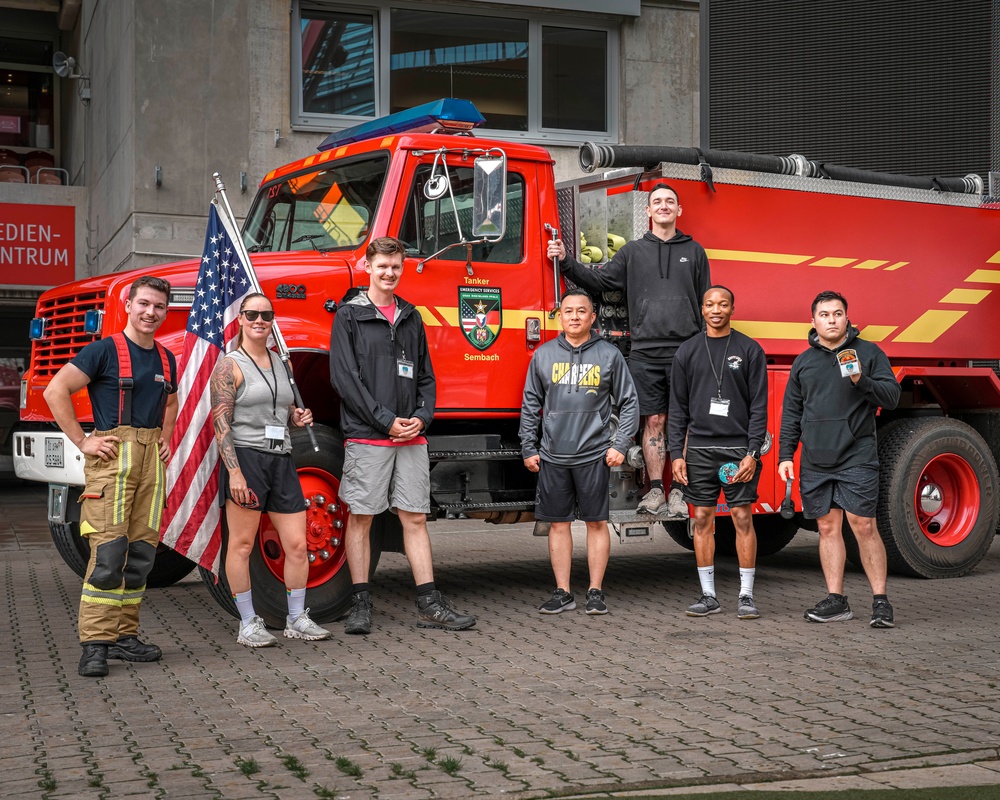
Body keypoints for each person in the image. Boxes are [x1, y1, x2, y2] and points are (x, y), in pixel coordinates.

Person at [329, 236, 476, 634]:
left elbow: (426, 376)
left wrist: (422, 418)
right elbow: (345, 380)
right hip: (368, 435)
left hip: (411, 437)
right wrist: (384, 420)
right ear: (367, 267)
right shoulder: (348, 316)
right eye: (382, 266)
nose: (389, 273)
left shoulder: (411, 316)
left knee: (415, 518)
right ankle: (360, 604)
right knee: (361, 518)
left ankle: (430, 603)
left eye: (396, 266)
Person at [547, 182, 710, 520]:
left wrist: (705, 347)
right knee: (654, 420)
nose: (663, 206)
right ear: (648, 211)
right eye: (657, 202)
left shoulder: (694, 251)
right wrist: (566, 262)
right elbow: (601, 282)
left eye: (670, 202)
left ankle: (679, 492)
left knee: (683, 422)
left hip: (685, 350)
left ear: (679, 211)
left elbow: (706, 302)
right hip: (645, 351)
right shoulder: (633, 252)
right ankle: (655, 490)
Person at [44, 276, 178, 678]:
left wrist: (166, 439)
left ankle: (124, 637)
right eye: (144, 304)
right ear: (129, 305)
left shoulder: (166, 358)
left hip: (150, 461)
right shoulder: (103, 351)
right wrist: (83, 440)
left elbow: (170, 401)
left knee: (140, 555)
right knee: (108, 554)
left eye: (159, 307)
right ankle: (96, 645)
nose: (151, 313)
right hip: (113, 460)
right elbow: (55, 390)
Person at [210, 292, 331, 647]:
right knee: (243, 545)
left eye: (266, 315)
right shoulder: (229, 365)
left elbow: (283, 413)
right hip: (246, 460)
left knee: (297, 545)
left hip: (282, 459)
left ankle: (296, 618)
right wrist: (234, 473)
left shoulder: (282, 363)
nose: (260, 320)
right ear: (241, 319)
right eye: (252, 315)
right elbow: (221, 424)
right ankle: (248, 623)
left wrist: (296, 417)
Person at [778, 290, 901, 627]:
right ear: (813, 321)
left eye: (837, 314)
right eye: (824, 315)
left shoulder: (869, 353)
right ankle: (837, 600)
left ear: (847, 318)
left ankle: (880, 601)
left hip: (856, 455)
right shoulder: (804, 361)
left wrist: (861, 380)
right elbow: (791, 412)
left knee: (863, 526)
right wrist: (785, 454)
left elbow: (891, 397)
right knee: (826, 527)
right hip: (816, 459)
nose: (831, 320)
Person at [520, 288, 640, 616]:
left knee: (596, 523)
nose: (574, 316)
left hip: (594, 455)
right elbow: (531, 404)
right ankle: (562, 592)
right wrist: (528, 446)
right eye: (568, 311)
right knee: (558, 525)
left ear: (592, 317)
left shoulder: (609, 355)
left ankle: (595, 591)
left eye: (581, 311)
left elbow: (629, 402)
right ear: (560, 316)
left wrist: (620, 445)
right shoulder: (543, 355)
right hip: (553, 455)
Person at [668, 286, 768, 620]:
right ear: (702, 308)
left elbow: (759, 407)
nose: (716, 309)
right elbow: (677, 408)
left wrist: (752, 453)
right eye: (710, 304)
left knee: (741, 517)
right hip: (698, 450)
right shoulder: (687, 352)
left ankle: (746, 595)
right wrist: (675, 455)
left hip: (737, 450)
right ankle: (708, 595)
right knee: (701, 519)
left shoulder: (750, 349)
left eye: (723, 304)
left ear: (732, 309)